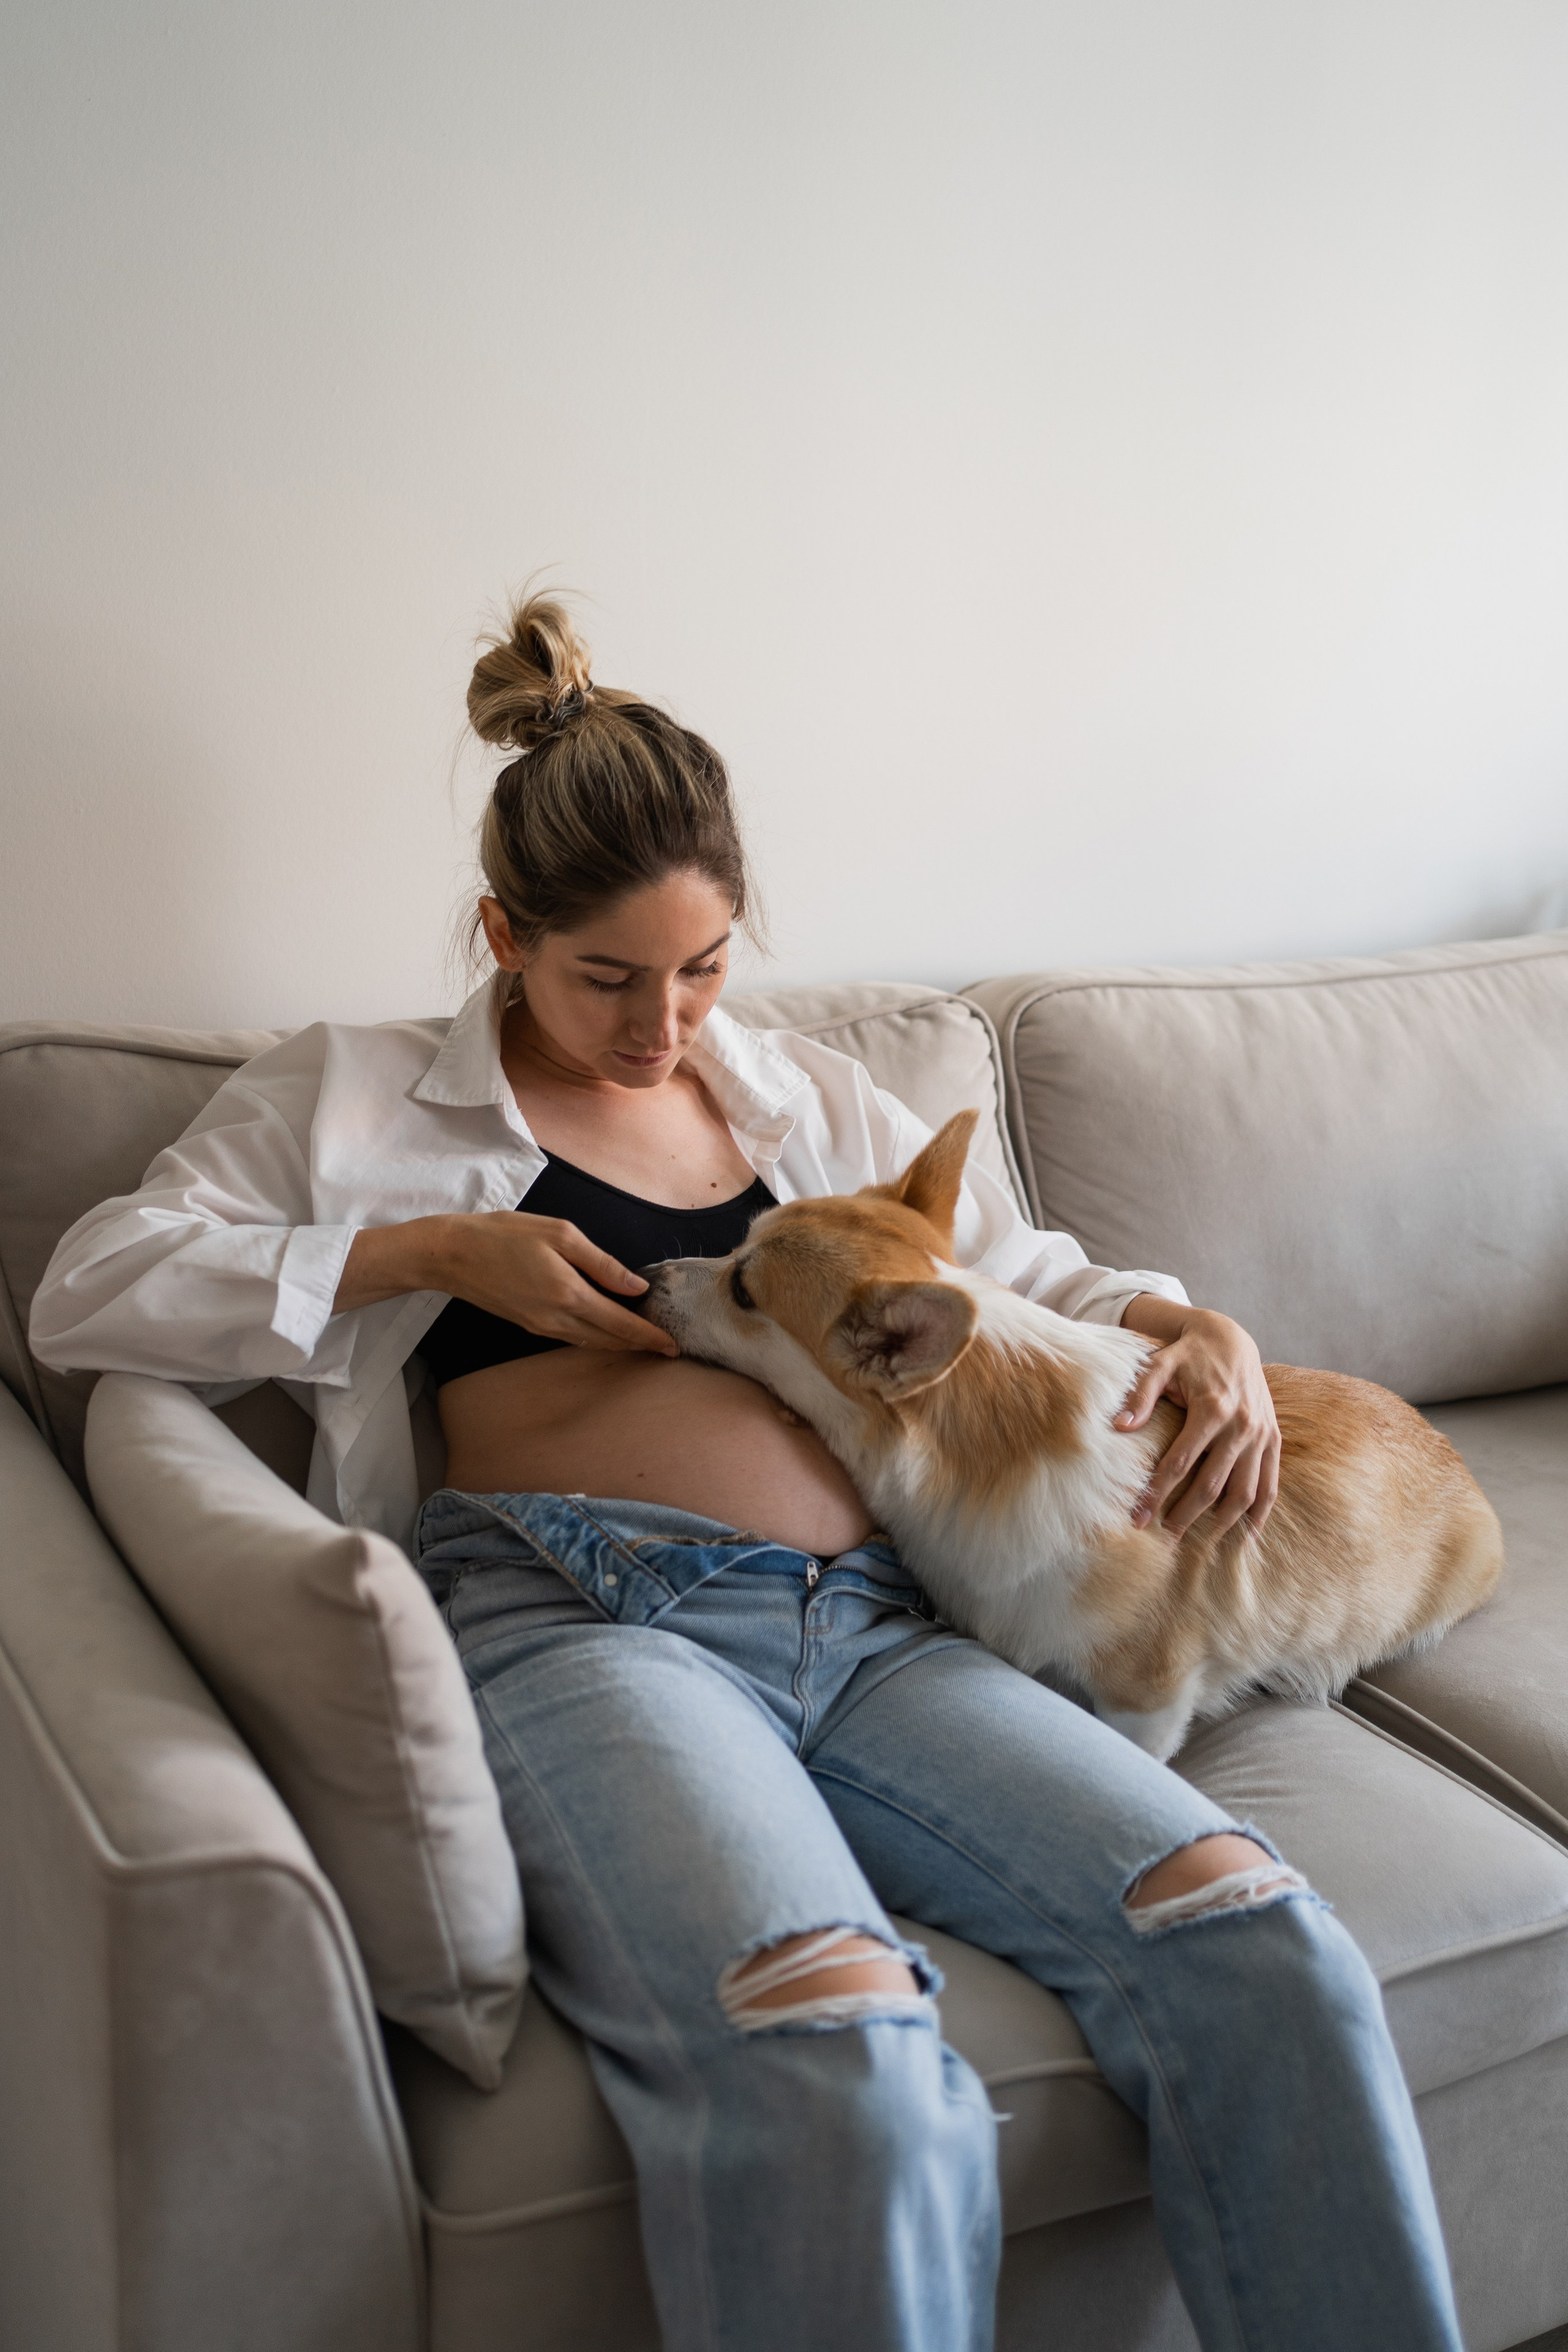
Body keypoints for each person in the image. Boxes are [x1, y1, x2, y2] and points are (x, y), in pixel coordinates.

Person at [31, 595, 1463, 2352]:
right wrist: (423, 1257)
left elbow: (1022, 1280)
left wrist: (1195, 1326)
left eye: (703, 968)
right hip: (582, 1630)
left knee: (1266, 1948)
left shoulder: (806, 1099)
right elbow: (84, 1290)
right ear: (502, 937)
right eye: (606, 979)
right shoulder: (349, 1097)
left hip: (889, 1631)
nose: (663, 1026)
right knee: (838, 2055)